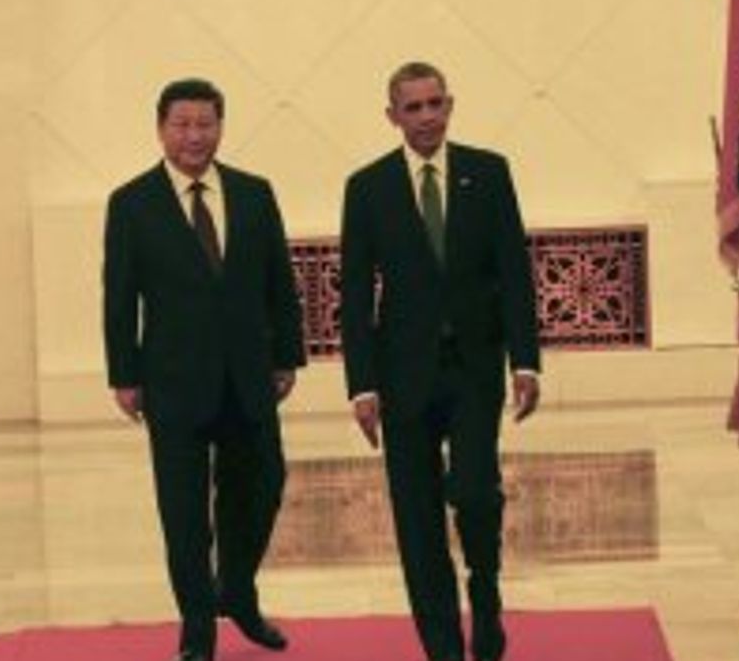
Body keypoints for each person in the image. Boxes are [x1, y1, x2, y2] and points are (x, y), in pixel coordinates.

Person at [338, 61, 541, 661]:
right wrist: (361, 385)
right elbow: (355, 295)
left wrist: (526, 362)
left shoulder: (489, 172)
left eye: (435, 104)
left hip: (474, 368)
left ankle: (485, 593)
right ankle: (443, 647)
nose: (427, 117)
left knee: (475, 491)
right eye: (414, 107)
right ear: (393, 116)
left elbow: (514, 272)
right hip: (402, 376)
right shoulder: (368, 187)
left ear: (450, 105)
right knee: (417, 516)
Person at [102, 78, 306, 661]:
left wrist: (287, 355)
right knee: (184, 514)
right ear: (161, 128)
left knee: (263, 485)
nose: (194, 136)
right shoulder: (132, 202)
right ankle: (197, 628)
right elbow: (119, 296)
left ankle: (236, 589)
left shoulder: (254, 193)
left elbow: (279, 280)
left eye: (205, 124)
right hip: (172, 381)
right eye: (182, 124)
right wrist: (124, 374)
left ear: (220, 127)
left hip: (249, 375)